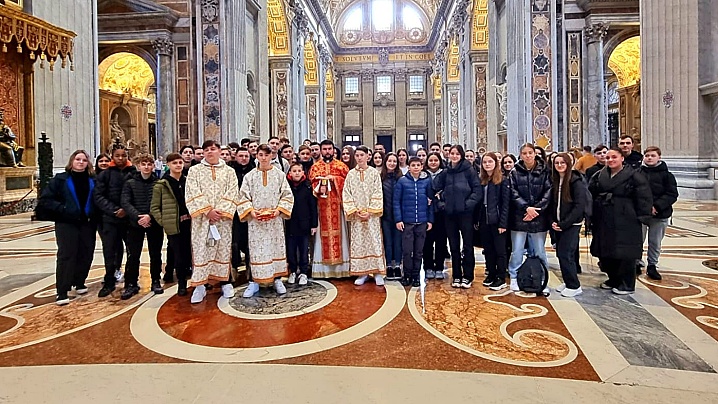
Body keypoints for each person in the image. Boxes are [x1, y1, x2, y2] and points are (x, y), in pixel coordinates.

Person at [37, 150, 97, 305]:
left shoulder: (92, 179)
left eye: (84, 160)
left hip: (87, 222)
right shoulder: (60, 179)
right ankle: (62, 291)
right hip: (66, 222)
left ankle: (79, 281)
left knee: (86, 253)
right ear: (72, 161)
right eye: (78, 159)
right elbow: (46, 200)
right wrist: (63, 209)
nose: (81, 162)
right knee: (67, 255)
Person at [590, 147, 652, 295]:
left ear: (622, 158)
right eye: (608, 158)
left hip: (626, 218)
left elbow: (644, 197)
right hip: (604, 217)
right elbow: (591, 193)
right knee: (606, 251)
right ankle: (613, 278)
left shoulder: (634, 176)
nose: (610, 160)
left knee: (625, 253)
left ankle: (627, 283)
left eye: (614, 157)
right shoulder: (599, 175)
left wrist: (642, 216)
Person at [186, 140, 239, 303]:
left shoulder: (229, 171)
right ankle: (200, 286)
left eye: (213, 149)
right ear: (203, 152)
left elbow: (233, 192)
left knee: (223, 249)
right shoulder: (195, 171)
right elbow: (191, 192)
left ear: (218, 151)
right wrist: (208, 210)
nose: (210, 152)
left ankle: (225, 282)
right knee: (202, 250)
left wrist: (220, 212)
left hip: (222, 220)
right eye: (206, 149)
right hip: (202, 219)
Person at [237, 144, 294, 297]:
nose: (263, 158)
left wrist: (278, 211)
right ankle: (254, 282)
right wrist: (251, 212)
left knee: (275, 249)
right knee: (256, 252)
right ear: (257, 156)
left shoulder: (279, 175)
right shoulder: (250, 176)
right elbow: (243, 197)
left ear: (271, 156)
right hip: (256, 222)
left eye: (266, 155)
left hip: (274, 221)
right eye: (260, 155)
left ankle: (277, 280)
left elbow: (287, 195)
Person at [433, 145, 481, 288]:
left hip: (465, 214)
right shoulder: (445, 172)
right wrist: (442, 203)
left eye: (457, 154)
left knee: (467, 245)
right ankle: (456, 276)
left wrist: (467, 205)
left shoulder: (469, 171)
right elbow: (434, 188)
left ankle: (467, 276)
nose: (454, 156)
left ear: (461, 155)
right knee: (453, 246)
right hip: (449, 214)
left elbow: (477, 190)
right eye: (452, 153)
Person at [507, 143, 552, 293]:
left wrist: (536, 209)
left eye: (530, 153)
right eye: (524, 153)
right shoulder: (514, 172)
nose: (527, 156)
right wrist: (526, 208)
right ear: (520, 155)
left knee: (539, 251)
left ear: (534, 154)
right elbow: (513, 193)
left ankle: (542, 279)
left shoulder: (545, 171)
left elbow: (548, 192)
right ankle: (514, 276)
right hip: (520, 216)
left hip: (539, 216)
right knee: (517, 250)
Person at [95, 144, 136, 297]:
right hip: (110, 219)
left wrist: (128, 210)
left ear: (127, 157)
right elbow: (98, 196)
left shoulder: (133, 173)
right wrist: (114, 210)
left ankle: (131, 281)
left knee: (132, 251)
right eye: (117, 156)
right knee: (110, 251)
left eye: (123, 156)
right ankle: (109, 281)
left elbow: (137, 194)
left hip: (129, 219)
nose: (120, 158)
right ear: (113, 156)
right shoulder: (105, 175)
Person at [121, 153, 164, 299]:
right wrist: (138, 216)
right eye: (143, 164)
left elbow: (160, 203)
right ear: (138, 166)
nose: (146, 167)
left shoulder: (159, 183)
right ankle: (131, 283)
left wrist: (149, 216)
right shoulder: (130, 183)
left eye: (149, 164)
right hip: (135, 223)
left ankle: (156, 280)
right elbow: (126, 202)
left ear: (153, 166)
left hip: (154, 223)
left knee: (155, 253)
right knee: (133, 255)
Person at [342, 146, 385, 286]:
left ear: (368, 156)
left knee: (374, 241)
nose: (359, 158)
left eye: (362, 155)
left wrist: (370, 211)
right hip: (357, 216)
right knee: (359, 243)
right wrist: (354, 210)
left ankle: (378, 272)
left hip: (371, 216)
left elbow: (378, 192)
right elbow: (346, 193)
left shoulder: (373, 173)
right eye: (357, 155)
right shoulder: (350, 174)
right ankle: (363, 273)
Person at [150, 153, 192, 296]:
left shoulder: (187, 181)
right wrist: (164, 222)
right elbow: (155, 207)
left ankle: (194, 280)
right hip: (173, 224)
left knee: (189, 254)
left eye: (180, 162)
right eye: (175, 163)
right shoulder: (161, 184)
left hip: (190, 222)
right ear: (168, 165)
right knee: (178, 255)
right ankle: (181, 283)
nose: (178, 165)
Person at [309, 139, 351, 278]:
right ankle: (323, 271)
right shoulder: (315, 167)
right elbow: (312, 183)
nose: (327, 151)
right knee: (322, 237)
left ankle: (341, 270)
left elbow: (348, 184)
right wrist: (319, 183)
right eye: (325, 149)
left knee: (341, 237)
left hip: (337, 207)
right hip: (321, 207)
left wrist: (334, 179)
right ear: (321, 150)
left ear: (333, 150)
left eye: (329, 149)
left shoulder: (341, 166)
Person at [550, 153, 589, 297]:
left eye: (562, 163)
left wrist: (565, 223)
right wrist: (553, 221)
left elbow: (579, 206)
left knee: (566, 254)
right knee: (561, 254)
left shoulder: (576, 180)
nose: (559, 165)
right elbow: (553, 204)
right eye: (557, 163)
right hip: (559, 224)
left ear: (568, 164)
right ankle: (567, 281)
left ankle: (574, 285)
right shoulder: (555, 180)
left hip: (572, 224)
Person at [640, 146, 678, 280]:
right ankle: (636, 262)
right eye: (647, 155)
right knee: (638, 240)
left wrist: (657, 206)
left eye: (652, 155)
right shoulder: (639, 173)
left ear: (659, 157)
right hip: (642, 214)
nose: (649, 158)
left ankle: (652, 265)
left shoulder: (667, 175)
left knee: (655, 242)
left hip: (660, 214)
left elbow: (672, 194)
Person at [394, 156, 434, 287]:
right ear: (409, 167)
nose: (416, 167)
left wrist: (430, 220)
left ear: (422, 167)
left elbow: (430, 202)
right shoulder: (402, 181)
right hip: (407, 222)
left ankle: (416, 275)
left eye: (418, 165)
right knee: (407, 251)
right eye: (413, 165)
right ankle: (407, 275)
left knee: (418, 251)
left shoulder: (426, 182)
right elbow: (396, 202)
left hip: (422, 222)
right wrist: (398, 219)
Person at [476, 152, 510, 291]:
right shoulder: (482, 180)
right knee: (488, 248)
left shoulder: (502, 180)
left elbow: (505, 204)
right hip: (484, 217)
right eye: (485, 162)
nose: (487, 164)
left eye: (490, 162)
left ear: (496, 163)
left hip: (497, 218)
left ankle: (501, 277)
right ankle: (491, 273)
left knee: (500, 249)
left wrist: (503, 223)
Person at [285, 162, 317, 286]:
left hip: (305, 224)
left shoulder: (308, 186)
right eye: (294, 171)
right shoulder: (286, 186)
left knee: (304, 249)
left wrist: (314, 224)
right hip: (290, 224)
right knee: (291, 250)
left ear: (303, 173)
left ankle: (303, 272)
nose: (297, 173)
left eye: (299, 171)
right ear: (290, 173)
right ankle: (293, 271)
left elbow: (313, 207)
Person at [228, 147, 256, 271]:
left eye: (246, 156)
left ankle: (251, 267)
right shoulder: (230, 171)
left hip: (249, 211)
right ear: (236, 157)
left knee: (249, 240)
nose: (244, 159)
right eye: (241, 156)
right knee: (234, 240)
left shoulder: (254, 171)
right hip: (233, 211)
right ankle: (234, 267)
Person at [423, 152, 447, 280]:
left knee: (441, 241)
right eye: (430, 160)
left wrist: (441, 196)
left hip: (441, 212)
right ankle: (428, 267)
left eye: (435, 160)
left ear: (439, 161)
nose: (433, 162)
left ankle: (439, 267)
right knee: (427, 242)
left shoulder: (445, 174)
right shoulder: (423, 175)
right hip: (426, 212)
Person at [380, 152, 402, 280]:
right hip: (386, 215)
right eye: (390, 161)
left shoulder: (401, 178)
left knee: (398, 241)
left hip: (399, 215)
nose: (392, 163)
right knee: (388, 241)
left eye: (394, 161)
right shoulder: (380, 178)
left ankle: (398, 265)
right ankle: (389, 265)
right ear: (385, 162)